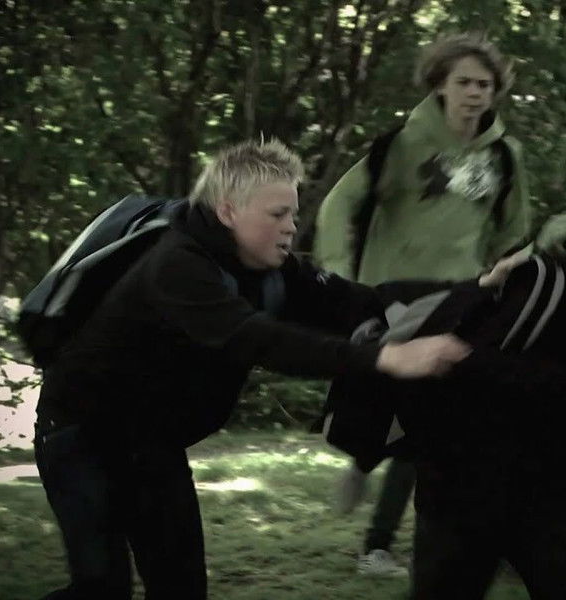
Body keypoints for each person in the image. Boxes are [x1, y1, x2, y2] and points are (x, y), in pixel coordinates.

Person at [33, 139, 470, 600]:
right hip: (81, 436)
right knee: (101, 589)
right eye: (277, 214)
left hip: (152, 444)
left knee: (181, 589)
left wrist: (474, 288)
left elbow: (359, 299)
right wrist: (385, 358)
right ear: (228, 211)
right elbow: (256, 338)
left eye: (293, 214)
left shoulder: (270, 269)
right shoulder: (176, 265)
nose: (291, 227)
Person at [313, 31, 531, 576]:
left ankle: (391, 545)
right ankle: (365, 462)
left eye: (485, 84)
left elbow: (513, 230)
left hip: (463, 298)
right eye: (464, 82)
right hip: (393, 293)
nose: (475, 93)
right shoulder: (400, 146)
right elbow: (339, 206)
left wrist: (507, 283)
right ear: (440, 86)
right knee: (394, 416)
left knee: (443, 426)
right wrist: (340, 278)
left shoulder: (506, 156)